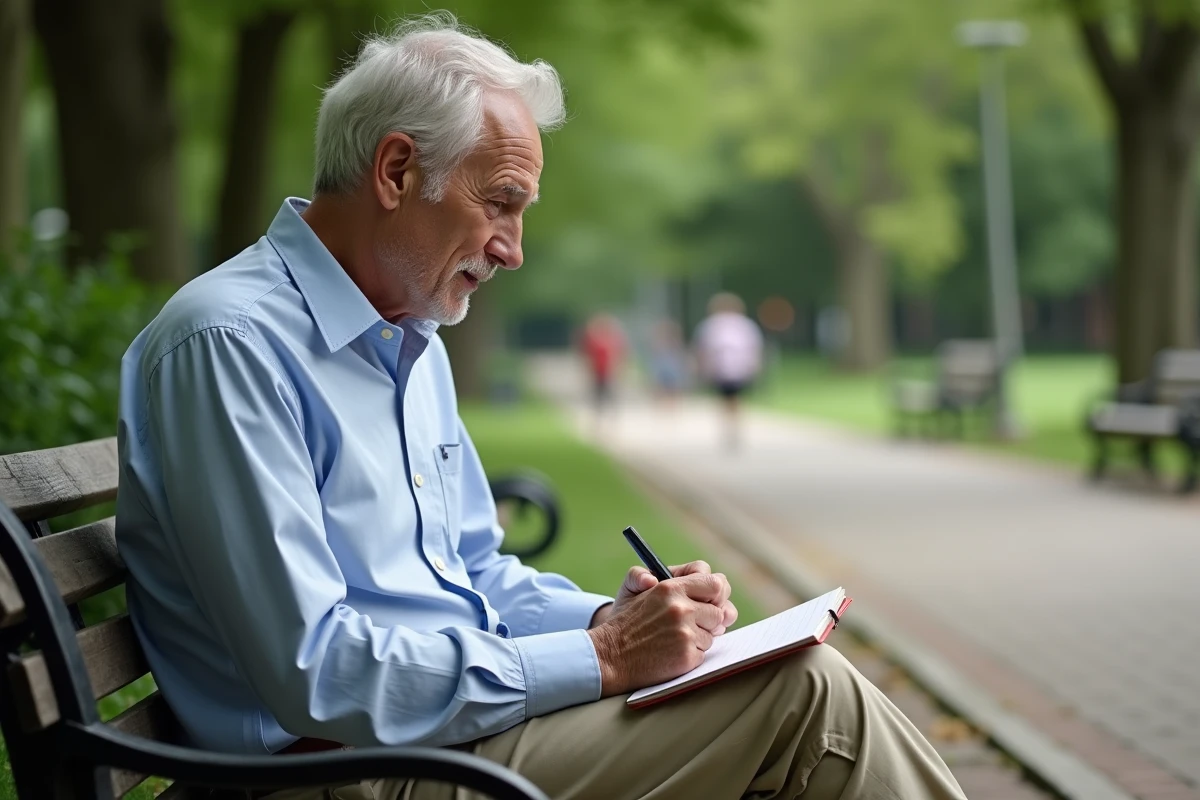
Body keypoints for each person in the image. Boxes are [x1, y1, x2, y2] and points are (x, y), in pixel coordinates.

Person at [114, 14, 966, 800]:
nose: (513, 250)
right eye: (501, 203)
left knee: (787, 680)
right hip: (343, 772)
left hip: (439, 740)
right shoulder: (228, 344)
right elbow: (320, 673)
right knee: (803, 699)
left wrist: (614, 619)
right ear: (398, 170)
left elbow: (477, 575)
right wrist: (604, 657)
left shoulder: (408, 341)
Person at [694, 292, 765, 450]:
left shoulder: (735, 325)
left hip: (735, 368)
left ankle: (732, 427)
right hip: (724, 368)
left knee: (731, 399)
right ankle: (731, 427)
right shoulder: (716, 325)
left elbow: (753, 347)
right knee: (730, 399)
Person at [579, 312, 626, 423]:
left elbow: (620, 355)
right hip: (597, 372)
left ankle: (612, 417)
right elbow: (586, 355)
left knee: (610, 395)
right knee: (598, 396)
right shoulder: (594, 340)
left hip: (609, 372)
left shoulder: (612, 340)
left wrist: (619, 369)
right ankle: (599, 417)